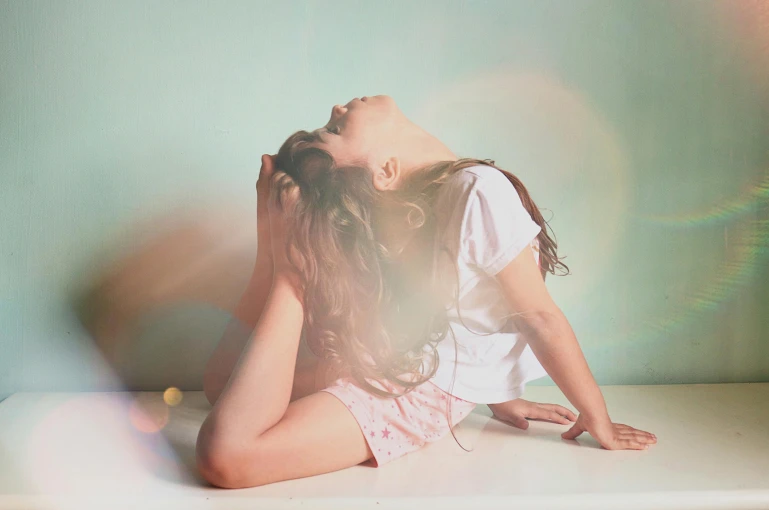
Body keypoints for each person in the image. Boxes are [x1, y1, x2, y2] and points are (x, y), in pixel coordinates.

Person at [196, 95, 657, 489]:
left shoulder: (465, 192)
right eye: (335, 128)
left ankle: (287, 267)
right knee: (223, 398)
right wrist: (596, 416)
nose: (337, 107)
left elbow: (496, 311)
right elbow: (533, 317)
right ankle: (285, 268)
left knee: (230, 448)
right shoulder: (472, 192)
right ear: (385, 170)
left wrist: (496, 389)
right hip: (406, 376)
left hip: (416, 387)